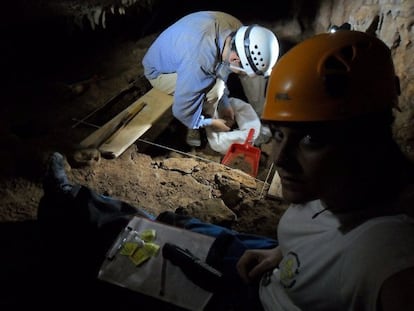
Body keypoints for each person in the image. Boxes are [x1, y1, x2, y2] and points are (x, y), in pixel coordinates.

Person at [37, 29, 414, 310]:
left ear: (368, 138)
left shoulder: (386, 250)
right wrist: (285, 253)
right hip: (273, 263)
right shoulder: (341, 188)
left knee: (146, 257)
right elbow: (187, 109)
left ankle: (70, 230)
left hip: (256, 300)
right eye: (280, 134)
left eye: (313, 139)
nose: (280, 159)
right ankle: (74, 203)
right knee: (174, 227)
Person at [142, 11, 279, 147]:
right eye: (242, 71)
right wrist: (211, 122)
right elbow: (181, 112)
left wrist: (225, 104)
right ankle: (200, 124)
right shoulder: (200, 61)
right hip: (159, 71)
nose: (241, 75)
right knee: (215, 90)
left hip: (180, 51)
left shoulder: (237, 32)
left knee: (216, 85)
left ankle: (211, 111)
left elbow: (222, 67)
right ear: (235, 59)